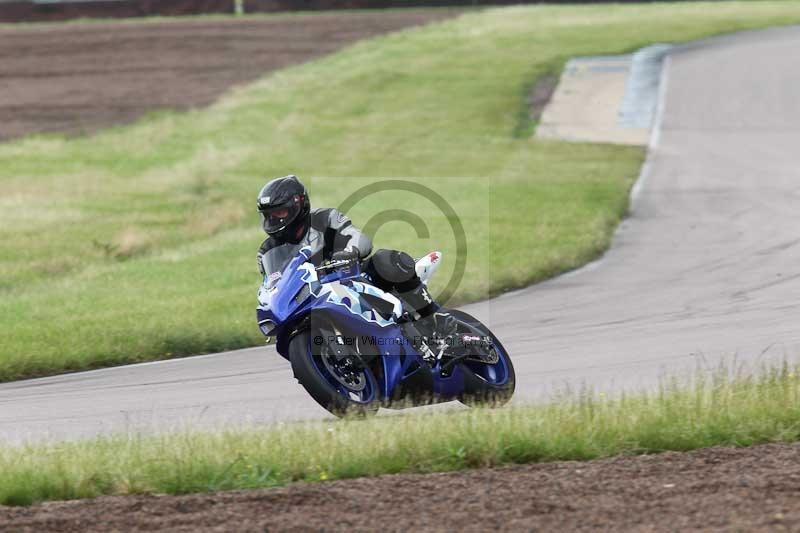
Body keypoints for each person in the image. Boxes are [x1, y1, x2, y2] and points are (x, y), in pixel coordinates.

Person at [256, 175, 455, 346]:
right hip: (314, 298)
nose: (273, 219)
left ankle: (435, 317)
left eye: (279, 212)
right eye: (268, 215)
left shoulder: (325, 219)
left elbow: (359, 238)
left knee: (385, 260)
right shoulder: (267, 250)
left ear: (298, 204)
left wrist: (349, 252)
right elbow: (273, 284)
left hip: (353, 278)